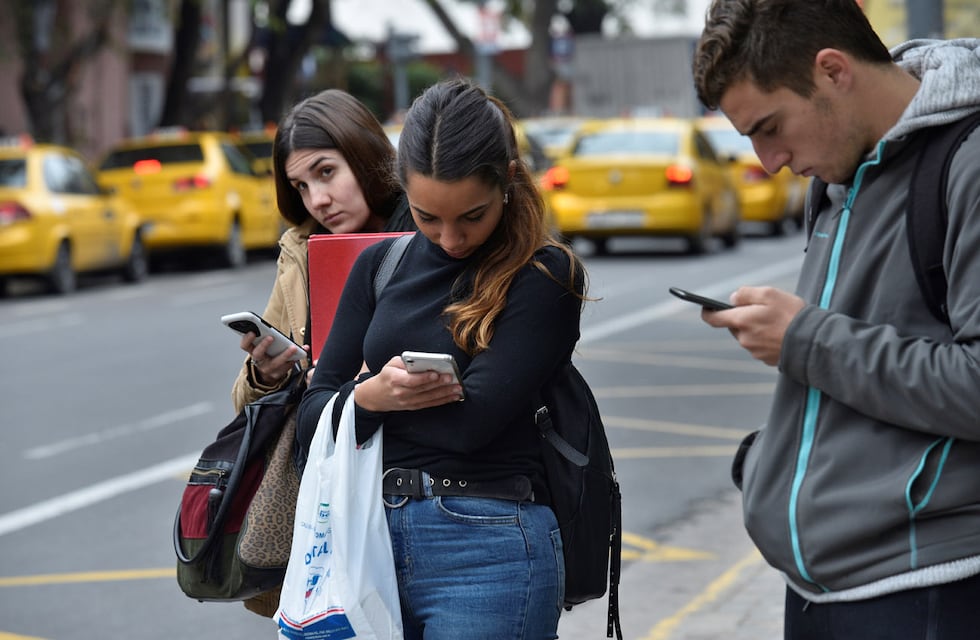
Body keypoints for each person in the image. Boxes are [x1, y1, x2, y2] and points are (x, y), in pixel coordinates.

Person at [691, 1, 980, 638]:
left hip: (927, 588)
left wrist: (802, 337)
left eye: (770, 127)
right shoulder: (839, 173)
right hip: (821, 588)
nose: (769, 162)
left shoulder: (968, 163)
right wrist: (769, 463)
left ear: (832, 70)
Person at [296, 77, 588, 639]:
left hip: (490, 549)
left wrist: (362, 403)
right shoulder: (379, 267)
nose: (450, 238)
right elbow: (310, 426)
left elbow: (471, 428)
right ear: (403, 192)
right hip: (366, 542)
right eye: (427, 217)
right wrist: (368, 396)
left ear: (507, 179)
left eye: (471, 216)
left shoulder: (545, 275)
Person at [229, 88, 415, 617]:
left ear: (364, 155)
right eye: (301, 186)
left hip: (422, 487)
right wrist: (267, 372)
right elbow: (245, 405)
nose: (317, 200)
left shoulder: (431, 228)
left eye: (327, 173)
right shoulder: (301, 253)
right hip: (334, 498)